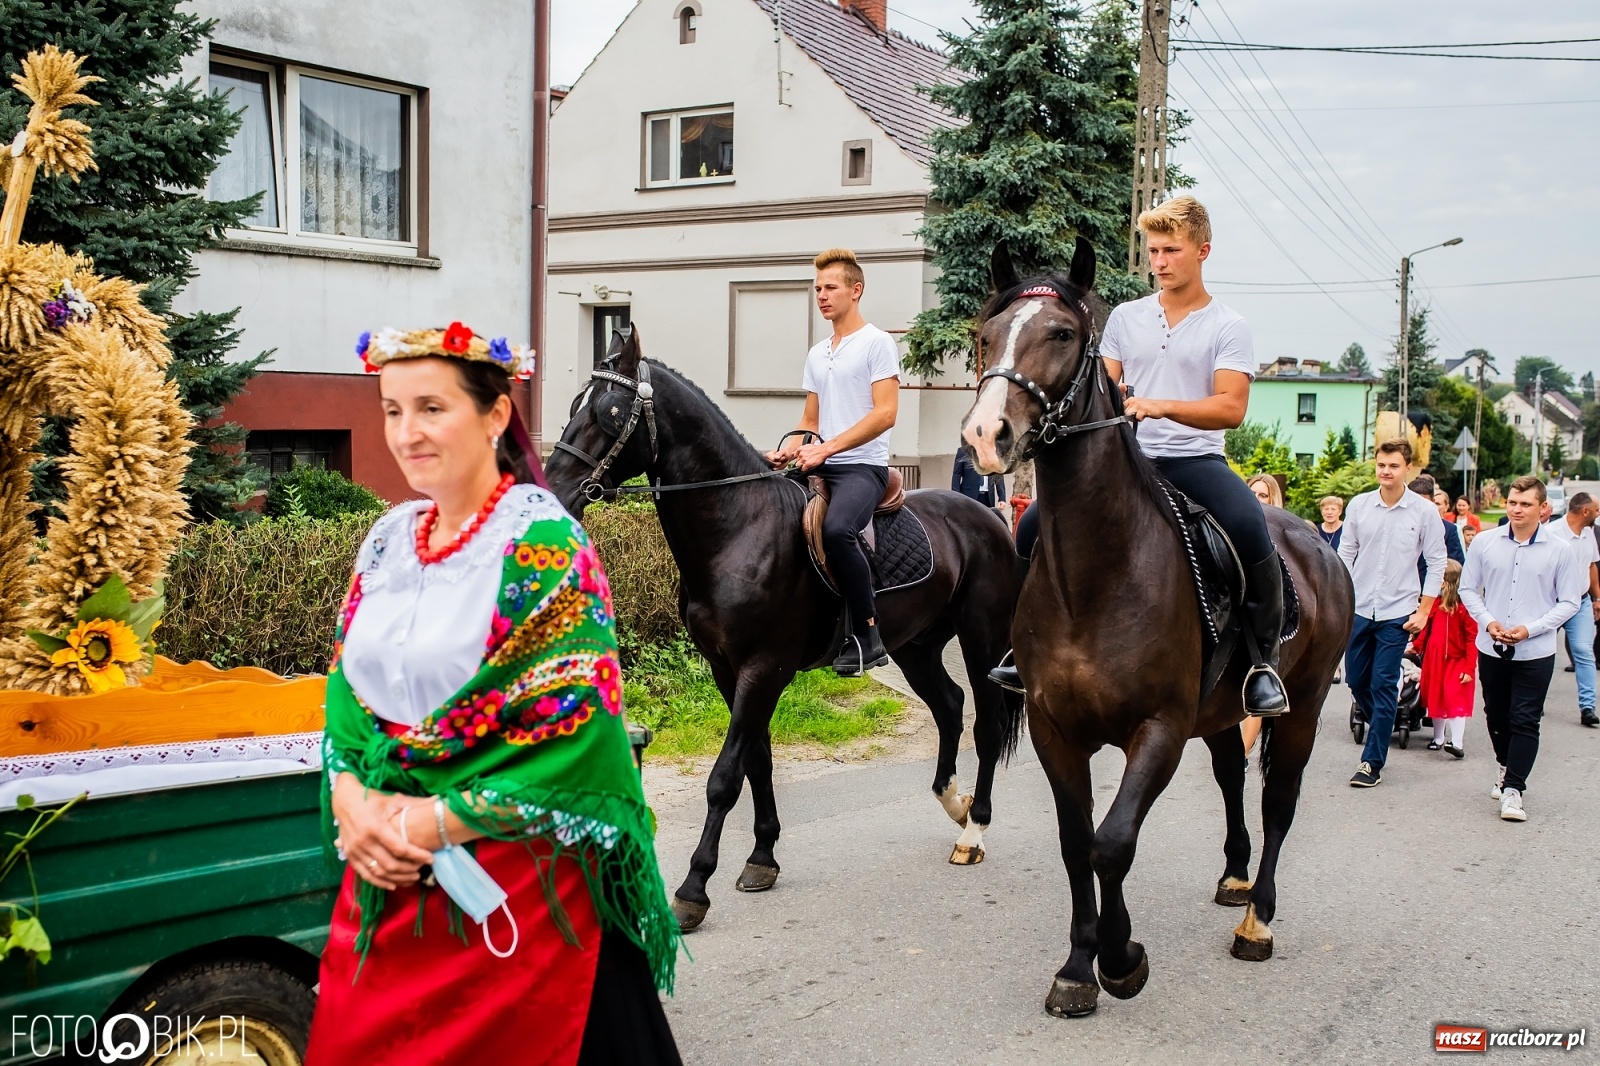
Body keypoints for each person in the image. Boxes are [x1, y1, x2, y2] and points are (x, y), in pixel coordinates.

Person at [308, 324, 682, 1065]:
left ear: (496, 415)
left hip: (511, 887)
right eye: (391, 410)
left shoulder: (541, 543)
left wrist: (431, 822)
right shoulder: (387, 539)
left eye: (430, 408)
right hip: (384, 881)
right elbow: (347, 693)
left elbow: (575, 730)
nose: (406, 433)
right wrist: (352, 801)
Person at [1098, 195, 1289, 716]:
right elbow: (1105, 389)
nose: (1159, 262)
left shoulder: (1228, 325)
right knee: (1032, 529)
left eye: (1171, 250)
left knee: (1251, 525)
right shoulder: (1124, 318)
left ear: (1202, 250)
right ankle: (1024, 645)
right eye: (1153, 250)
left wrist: (1161, 406)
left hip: (1192, 460)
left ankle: (1262, 662)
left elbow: (1231, 408)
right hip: (1126, 462)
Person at [766, 248, 900, 676]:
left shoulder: (877, 343)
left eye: (830, 287)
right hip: (818, 462)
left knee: (838, 530)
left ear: (855, 290)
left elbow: (885, 413)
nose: (821, 295)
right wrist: (791, 447)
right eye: (817, 288)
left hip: (863, 467)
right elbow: (811, 420)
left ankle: (868, 634)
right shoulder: (817, 351)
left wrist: (827, 448)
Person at [1458, 476, 1584, 822]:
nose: (1516, 509)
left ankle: (1514, 789)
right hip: (1492, 644)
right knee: (1497, 715)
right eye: (1513, 502)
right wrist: (1488, 621)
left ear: (1543, 508)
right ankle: (1505, 764)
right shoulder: (1485, 542)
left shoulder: (1560, 549)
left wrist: (1532, 628)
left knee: (1525, 718)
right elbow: (1468, 589)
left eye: (1525, 504)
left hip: (1536, 650)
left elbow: (1570, 601)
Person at [1339, 438, 1447, 787]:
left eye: (1394, 466)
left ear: (1408, 469)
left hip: (1398, 612)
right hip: (1358, 608)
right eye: (1381, 465)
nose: (1386, 471)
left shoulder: (1424, 512)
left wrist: (1424, 612)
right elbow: (1345, 554)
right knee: (1357, 681)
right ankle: (1382, 728)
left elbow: (1436, 561)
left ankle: (1371, 763)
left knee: (1383, 683)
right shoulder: (1359, 506)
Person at [1411, 559, 1477, 758]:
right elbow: (1426, 630)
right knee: (1436, 696)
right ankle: (1438, 737)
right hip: (1434, 659)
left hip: (1456, 660)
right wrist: (1416, 646)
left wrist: (1469, 667)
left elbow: (1472, 638)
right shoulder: (1435, 605)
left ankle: (1456, 742)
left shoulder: (1465, 609)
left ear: (1447, 582)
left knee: (1455, 697)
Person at [1550, 491, 1600, 727]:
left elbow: (1590, 566)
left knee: (1584, 651)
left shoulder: (1589, 533)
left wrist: (1597, 598)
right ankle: (1534, 703)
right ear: (1585, 511)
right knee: (1542, 653)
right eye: (1597, 510)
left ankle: (1588, 707)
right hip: (1553, 603)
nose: (1598, 514)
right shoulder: (1551, 533)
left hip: (1580, 602)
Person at [952, 438, 1007, 518]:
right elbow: (956, 475)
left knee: (986, 523)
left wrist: (1002, 498)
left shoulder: (994, 452)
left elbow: (998, 475)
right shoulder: (963, 452)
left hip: (987, 497)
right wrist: (955, 496)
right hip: (968, 496)